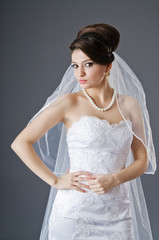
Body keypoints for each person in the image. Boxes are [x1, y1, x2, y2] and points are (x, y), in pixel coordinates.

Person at [11, 23, 156, 240]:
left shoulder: (130, 105)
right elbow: (20, 143)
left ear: (108, 66)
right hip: (73, 211)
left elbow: (142, 161)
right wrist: (56, 181)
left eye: (88, 64)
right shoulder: (68, 103)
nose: (80, 73)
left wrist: (115, 179)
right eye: (74, 66)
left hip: (117, 212)